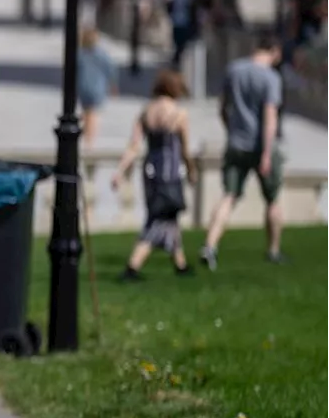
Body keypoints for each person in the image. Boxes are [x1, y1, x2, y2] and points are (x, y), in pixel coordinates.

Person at [200, 33, 286, 271]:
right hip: (260, 146)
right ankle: (274, 250)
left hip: (236, 143)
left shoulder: (234, 70)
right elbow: (270, 118)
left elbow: (222, 107)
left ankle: (210, 245)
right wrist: (267, 153)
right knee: (272, 200)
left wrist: (231, 131)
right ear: (275, 51)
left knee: (229, 195)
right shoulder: (271, 78)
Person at [110, 69, 197, 281]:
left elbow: (133, 146)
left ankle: (180, 264)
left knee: (168, 216)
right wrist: (192, 170)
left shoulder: (146, 112)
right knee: (159, 218)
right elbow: (184, 149)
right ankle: (133, 265)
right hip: (170, 171)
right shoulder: (178, 114)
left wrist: (120, 171)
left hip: (150, 172)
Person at [77, 26, 118, 149]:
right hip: (98, 88)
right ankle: (90, 140)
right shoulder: (102, 54)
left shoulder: (80, 54)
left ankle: (85, 134)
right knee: (93, 114)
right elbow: (111, 70)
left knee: (85, 112)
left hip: (83, 87)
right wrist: (113, 85)